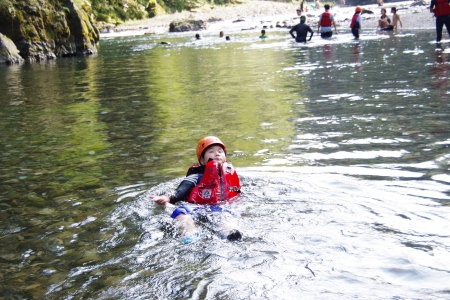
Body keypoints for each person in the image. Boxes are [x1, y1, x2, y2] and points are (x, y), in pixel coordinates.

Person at [150, 136, 242, 243]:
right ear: (202, 160)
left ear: (225, 157)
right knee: (181, 212)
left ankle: (230, 233)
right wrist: (167, 198)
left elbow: (238, 197)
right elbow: (179, 192)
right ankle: (191, 234)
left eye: (220, 151)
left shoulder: (231, 177)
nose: (217, 154)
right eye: (211, 151)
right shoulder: (196, 176)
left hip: (220, 208)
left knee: (228, 217)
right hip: (195, 208)